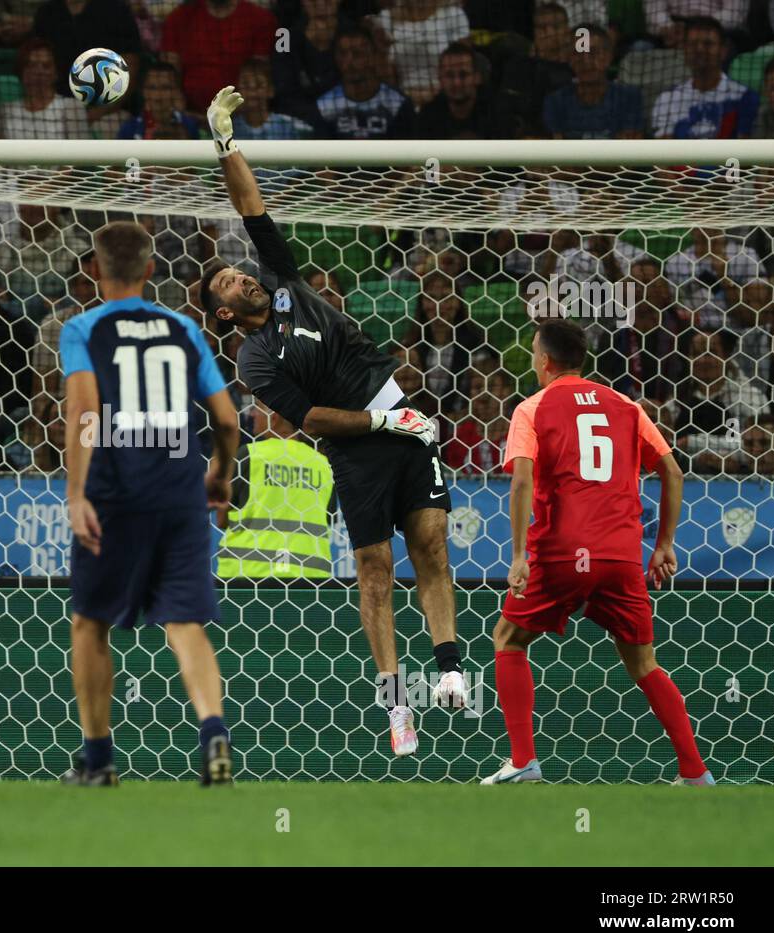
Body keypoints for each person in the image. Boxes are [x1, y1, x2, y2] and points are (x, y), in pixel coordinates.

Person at [201, 85, 469, 758]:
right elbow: (314, 419)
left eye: (241, 273)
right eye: (229, 284)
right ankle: (395, 706)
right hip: (359, 444)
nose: (242, 278)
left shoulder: (288, 285)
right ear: (225, 314)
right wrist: (387, 428)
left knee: (432, 545)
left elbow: (251, 206)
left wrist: (224, 143)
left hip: (398, 417)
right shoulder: (255, 360)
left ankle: (450, 669)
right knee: (375, 570)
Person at [482, 318, 712, 786]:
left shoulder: (532, 408)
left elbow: (522, 478)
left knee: (508, 639)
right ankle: (695, 773)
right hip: (622, 554)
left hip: (562, 550)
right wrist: (663, 543)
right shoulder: (626, 405)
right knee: (644, 663)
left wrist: (519, 554)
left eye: (532, 351)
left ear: (544, 359)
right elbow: (671, 471)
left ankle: (524, 761)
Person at [60, 221, 240, 785]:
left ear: (94, 269)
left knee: (90, 624)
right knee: (185, 622)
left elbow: (85, 414)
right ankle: (214, 740)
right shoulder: (185, 327)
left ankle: (98, 763)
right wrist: (219, 474)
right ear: (151, 270)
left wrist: (76, 493)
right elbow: (228, 419)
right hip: (180, 490)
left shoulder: (82, 328)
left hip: (116, 493)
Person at [217, 400, 335, 578]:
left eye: (256, 409)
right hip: (310, 576)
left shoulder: (249, 455)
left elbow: (221, 519)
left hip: (247, 574)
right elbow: (327, 520)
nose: (252, 415)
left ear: (274, 417)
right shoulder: (322, 464)